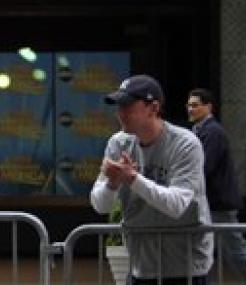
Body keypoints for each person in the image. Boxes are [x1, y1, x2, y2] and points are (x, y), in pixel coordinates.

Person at [90, 75, 212, 284]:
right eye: (118, 106)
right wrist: (112, 184)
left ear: (153, 108)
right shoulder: (118, 143)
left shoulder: (185, 144)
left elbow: (176, 205)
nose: (120, 113)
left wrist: (132, 178)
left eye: (128, 106)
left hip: (186, 266)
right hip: (141, 266)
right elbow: (100, 205)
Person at [188, 87, 246, 280]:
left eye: (195, 105)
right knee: (202, 253)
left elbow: (204, 166)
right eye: (188, 105)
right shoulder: (199, 130)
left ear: (208, 107)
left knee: (235, 252)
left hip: (218, 204)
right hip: (209, 203)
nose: (190, 109)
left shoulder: (212, 132)